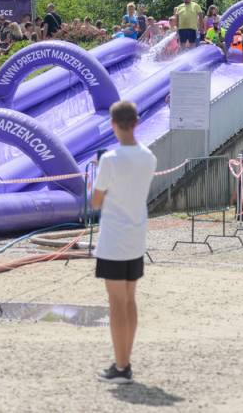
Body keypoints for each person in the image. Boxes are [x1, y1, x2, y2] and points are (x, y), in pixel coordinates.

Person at [90, 101, 157, 384]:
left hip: (113, 238)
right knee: (129, 300)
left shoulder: (110, 159)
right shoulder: (149, 157)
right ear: (136, 123)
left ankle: (121, 366)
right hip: (136, 236)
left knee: (116, 304)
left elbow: (95, 201)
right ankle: (124, 361)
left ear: (113, 124)